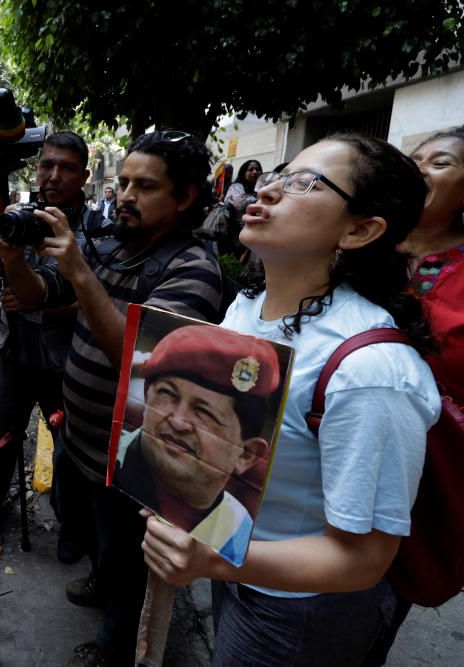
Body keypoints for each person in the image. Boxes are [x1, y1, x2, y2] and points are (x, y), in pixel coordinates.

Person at [142, 134, 441, 667]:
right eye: (280, 173)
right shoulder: (248, 306)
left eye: (305, 183)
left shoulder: (370, 370)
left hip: (300, 614)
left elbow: (364, 560)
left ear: (359, 229)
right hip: (236, 566)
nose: (271, 189)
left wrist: (216, 561)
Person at [0, 130, 225, 666]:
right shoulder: (113, 247)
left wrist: (78, 270)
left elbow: (139, 360)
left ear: (186, 197)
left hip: (135, 456)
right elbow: (35, 296)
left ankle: (113, 646)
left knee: (128, 556)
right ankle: (102, 582)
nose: (124, 195)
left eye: (144, 186)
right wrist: (12, 259)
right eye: (122, 183)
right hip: (82, 437)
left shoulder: (193, 270)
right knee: (103, 537)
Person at [0, 131, 110, 543]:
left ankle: (72, 524)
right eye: (47, 165)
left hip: (67, 360)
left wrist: (37, 302)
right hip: (14, 351)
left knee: (71, 449)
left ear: (84, 175)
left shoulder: (98, 228)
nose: (54, 175)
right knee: (0, 436)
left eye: (67, 168)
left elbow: (98, 301)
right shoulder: (15, 215)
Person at [366, 126, 464, 663]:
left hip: (429, 478)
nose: (420, 168)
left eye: (441, 162)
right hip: (328, 453)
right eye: (414, 158)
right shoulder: (362, 247)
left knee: (372, 613)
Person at [112, 325, 278, 567]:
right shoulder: (111, 464)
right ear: (147, 401)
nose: (178, 422)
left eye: (204, 413)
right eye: (167, 395)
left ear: (246, 454)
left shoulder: (237, 529)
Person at [222, 160, 262, 257]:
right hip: (236, 235)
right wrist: (262, 200)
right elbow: (241, 203)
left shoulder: (259, 190)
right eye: (251, 169)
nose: (255, 172)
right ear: (244, 172)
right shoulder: (236, 187)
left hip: (254, 236)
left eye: (257, 169)